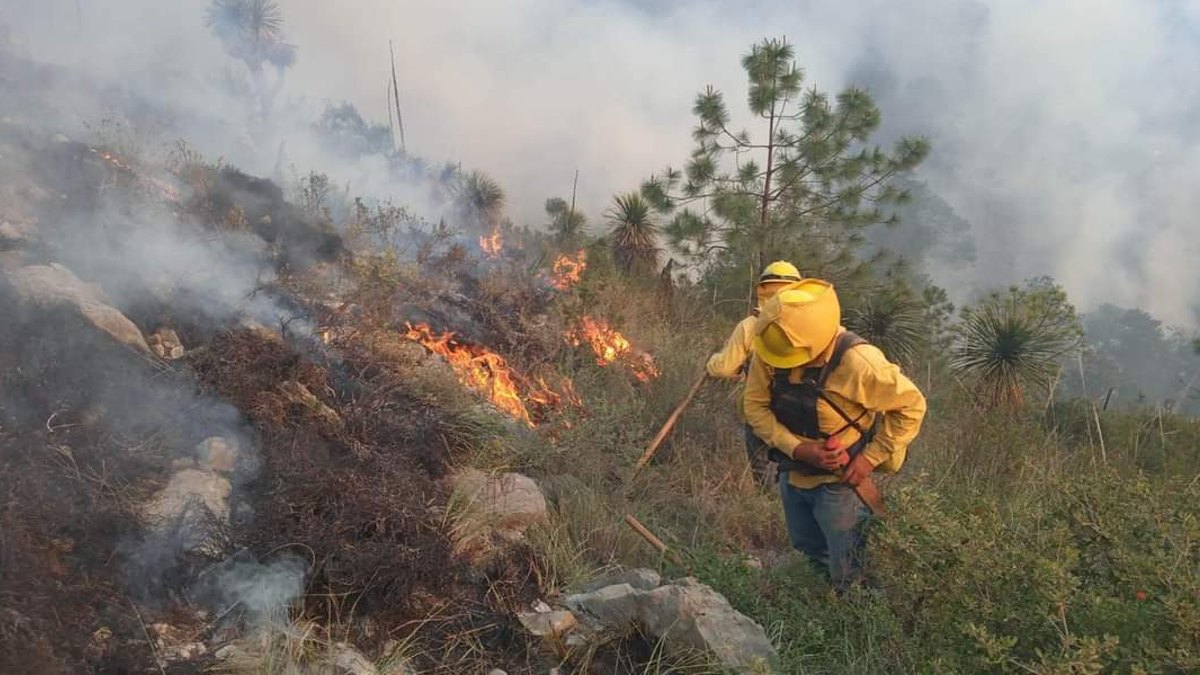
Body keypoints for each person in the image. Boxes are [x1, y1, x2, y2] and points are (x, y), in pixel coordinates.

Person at [743, 279, 926, 588]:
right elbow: (754, 406)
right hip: (793, 474)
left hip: (840, 486)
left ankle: (854, 620)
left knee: (850, 569)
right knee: (808, 554)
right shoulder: (773, 350)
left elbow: (911, 406)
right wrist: (798, 449)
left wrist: (869, 459)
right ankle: (816, 608)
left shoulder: (859, 363)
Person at [706, 261, 803, 484]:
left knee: (762, 472)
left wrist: (712, 361)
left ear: (763, 290)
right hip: (803, 413)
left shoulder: (750, 326)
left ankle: (766, 503)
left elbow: (723, 368)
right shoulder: (814, 326)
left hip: (759, 411)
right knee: (796, 474)